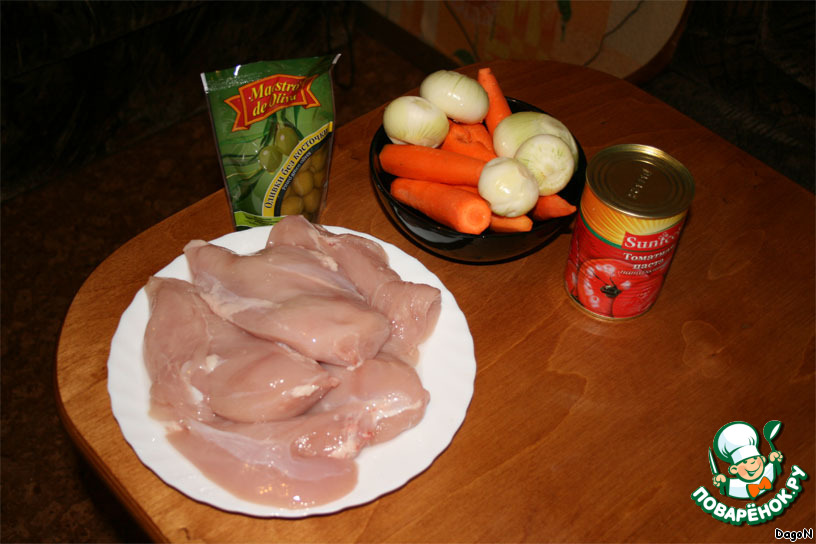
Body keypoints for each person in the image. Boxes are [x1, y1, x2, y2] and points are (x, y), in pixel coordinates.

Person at [712, 421, 783, 500]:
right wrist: (722, 482)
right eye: (745, 462)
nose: (752, 463)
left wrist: (774, 460)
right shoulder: (736, 486)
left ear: (763, 460)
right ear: (734, 469)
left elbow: (775, 468)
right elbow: (726, 487)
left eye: (755, 458)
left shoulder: (769, 471)